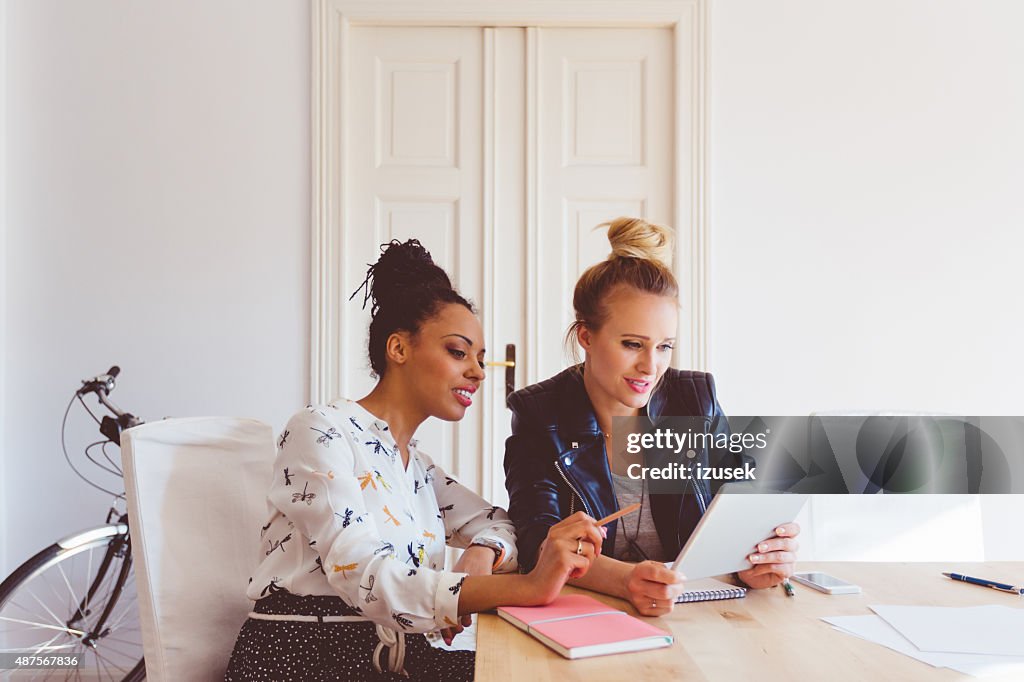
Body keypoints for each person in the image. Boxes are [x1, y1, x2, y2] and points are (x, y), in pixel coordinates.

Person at [226, 239, 603, 681]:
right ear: (399, 349)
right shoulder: (321, 430)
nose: (479, 372)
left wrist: (483, 552)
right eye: (458, 352)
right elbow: (365, 574)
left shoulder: (418, 468)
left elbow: (500, 523)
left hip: (394, 658)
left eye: (480, 359)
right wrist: (524, 588)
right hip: (304, 658)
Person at [503, 217, 800, 617]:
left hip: (691, 617)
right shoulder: (538, 413)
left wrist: (757, 560)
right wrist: (624, 581)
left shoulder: (696, 400)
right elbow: (537, 540)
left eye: (664, 346)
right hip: (583, 617)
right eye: (632, 344)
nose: (650, 366)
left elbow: (735, 509)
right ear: (585, 337)